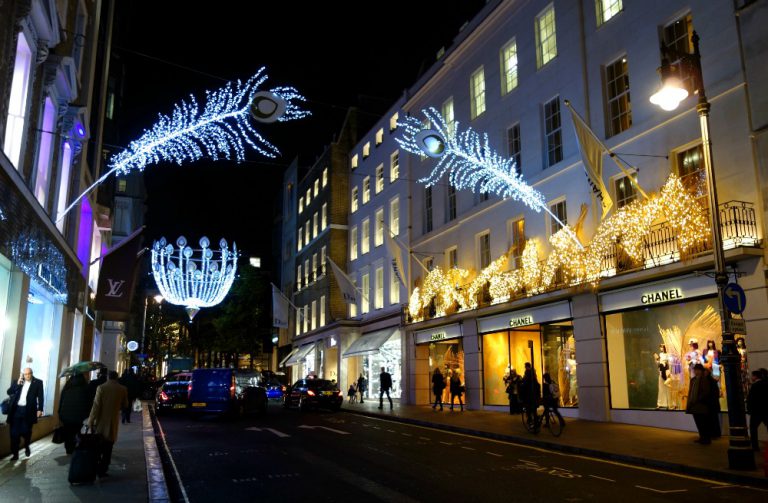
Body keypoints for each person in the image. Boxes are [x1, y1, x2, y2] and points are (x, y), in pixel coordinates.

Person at [87, 371, 128, 478]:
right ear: (117, 377)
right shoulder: (122, 389)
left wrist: (90, 421)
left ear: (108, 377)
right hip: (113, 422)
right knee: (108, 448)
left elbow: (95, 406)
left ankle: (95, 467)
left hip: (100, 422)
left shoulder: (101, 388)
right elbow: (125, 405)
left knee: (98, 446)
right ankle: (103, 469)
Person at [6, 367, 44, 461]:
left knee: (26, 432)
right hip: (16, 411)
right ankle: (15, 454)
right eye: (25, 374)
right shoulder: (17, 381)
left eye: (29, 373)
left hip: (28, 411)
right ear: (23, 374)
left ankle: (26, 445)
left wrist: (40, 409)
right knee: (14, 434)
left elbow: (41, 396)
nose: (27, 376)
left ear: (32, 373)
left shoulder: (38, 382)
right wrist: (17, 384)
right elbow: (9, 392)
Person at [58, 373, 91, 454]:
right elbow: (88, 403)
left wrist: (59, 413)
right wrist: (88, 414)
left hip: (65, 415)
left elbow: (61, 401)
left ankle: (68, 448)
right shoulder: (85, 387)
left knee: (68, 431)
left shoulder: (67, 387)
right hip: (79, 416)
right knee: (76, 431)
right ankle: (75, 445)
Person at [686, 363, 718, 444]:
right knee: (699, 423)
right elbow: (691, 392)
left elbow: (706, 392)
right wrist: (690, 402)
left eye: (698, 370)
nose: (696, 371)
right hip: (694, 405)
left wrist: (698, 399)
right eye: (695, 370)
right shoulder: (693, 380)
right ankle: (702, 437)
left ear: (701, 371)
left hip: (701, 405)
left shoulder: (704, 379)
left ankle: (706, 439)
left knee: (703, 423)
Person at [747, 368, 768, 452]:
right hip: (765, 410)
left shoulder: (755, 386)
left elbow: (751, 399)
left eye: (752, 376)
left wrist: (749, 409)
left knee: (753, 428)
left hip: (756, 411)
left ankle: (755, 446)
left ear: (755, 376)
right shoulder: (766, 384)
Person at [519, 363, 541, 427]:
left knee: (528, 407)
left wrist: (521, 383)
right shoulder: (533, 372)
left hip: (529, 393)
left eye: (525, 366)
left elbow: (525, 381)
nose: (525, 368)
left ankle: (530, 421)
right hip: (534, 392)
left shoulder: (528, 372)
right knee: (533, 408)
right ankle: (535, 419)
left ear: (526, 367)